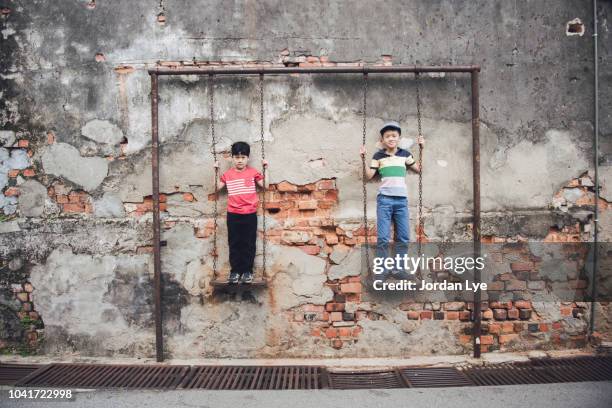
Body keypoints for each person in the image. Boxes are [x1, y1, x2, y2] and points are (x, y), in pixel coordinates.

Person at [359, 121, 424, 277]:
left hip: (401, 201)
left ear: (399, 138)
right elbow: (369, 176)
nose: (391, 138)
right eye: (387, 136)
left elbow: (419, 169)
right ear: (382, 140)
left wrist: (422, 148)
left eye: (394, 135)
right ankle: (382, 271)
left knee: (403, 236)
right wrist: (362, 159)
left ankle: (398, 269)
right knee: (383, 238)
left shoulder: (405, 155)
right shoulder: (378, 156)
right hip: (385, 200)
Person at [214, 141, 268, 283]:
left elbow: (265, 186)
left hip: (250, 214)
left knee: (249, 243)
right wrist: (215, 171)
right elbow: (216, 187)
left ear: (247, 158)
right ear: (232, 158)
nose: (240, 160)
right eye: (237, 157)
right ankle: (235, 272)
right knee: (234, 243)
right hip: (233, 214)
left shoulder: (252, 173)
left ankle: (247, 271)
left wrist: (266, 168)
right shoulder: (228, 174)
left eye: (243, 157)